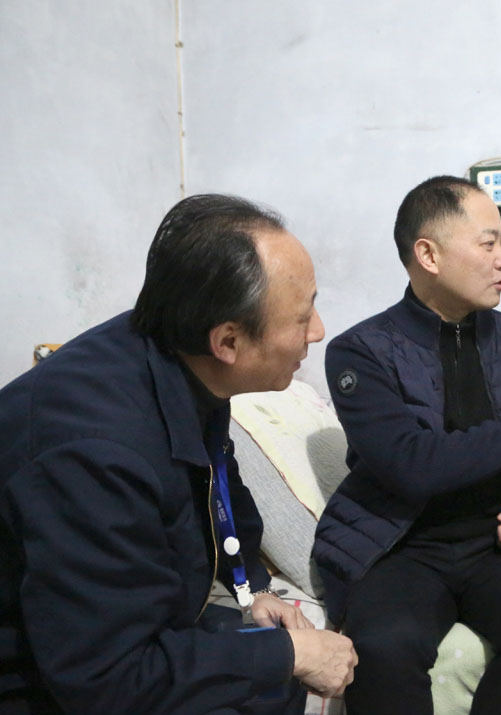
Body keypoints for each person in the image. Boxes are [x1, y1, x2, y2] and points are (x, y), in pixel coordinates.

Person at [0, 194, 357, 715]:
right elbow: (108, 678)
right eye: (301, 318)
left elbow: (216, 480)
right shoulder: (96, 456)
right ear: (228, 342)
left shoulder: (179, 357)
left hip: (132, 627)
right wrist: (289, 654)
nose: (318, 331)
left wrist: (252, 586)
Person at [312, 175, 501, 715]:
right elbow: (409, 465)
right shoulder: (360, 353)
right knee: (380, 646)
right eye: (488, 244)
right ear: (429, 255)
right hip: (401, 544)